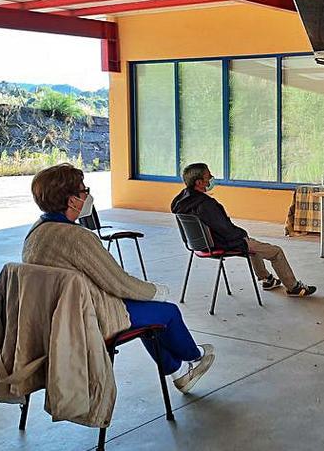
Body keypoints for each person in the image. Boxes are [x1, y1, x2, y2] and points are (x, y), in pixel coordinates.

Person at [24, 163, 215, 394]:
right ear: (72, 200)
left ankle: (179, 371)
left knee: (147, 314)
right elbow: (118, 283)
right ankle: (194, 356)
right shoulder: (76, 237)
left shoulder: (36, 233)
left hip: (56, 318)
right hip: (90, 317)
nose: (88, 195)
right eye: (84, 191)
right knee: (167, 311)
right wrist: (157, 291)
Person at [171, 163, 316, 297]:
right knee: (275, 251)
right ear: (199, 182)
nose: (211, 179)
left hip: (200, 244)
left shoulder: (181, 202)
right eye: (208, 176)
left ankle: (267, 279)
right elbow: (225, 230)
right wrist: (241, 234)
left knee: (252, 244)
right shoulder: (206, 204)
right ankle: (293, 287)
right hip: (221, 243)